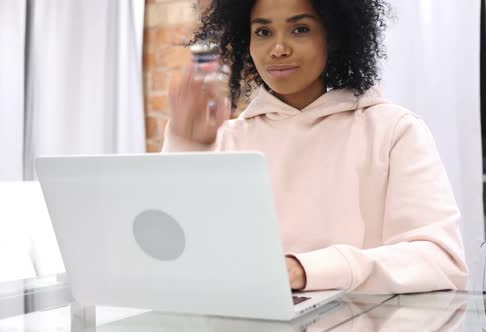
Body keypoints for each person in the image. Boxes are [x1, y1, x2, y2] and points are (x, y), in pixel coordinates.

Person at [162, 0, 468, 293]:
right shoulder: (228, 140)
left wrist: (305, 270)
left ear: (334, 35)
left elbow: (440, 261)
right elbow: (173, 253)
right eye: (263, 32)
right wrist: (186, 146)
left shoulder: (394, 131)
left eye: (300, 29)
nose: (278, 49)